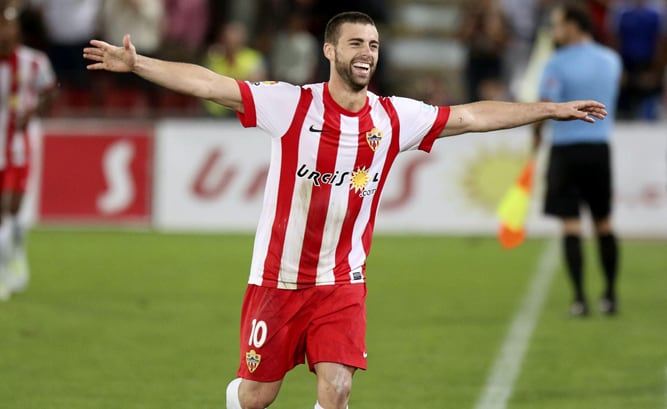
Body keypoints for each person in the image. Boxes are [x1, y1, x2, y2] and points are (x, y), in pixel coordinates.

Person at [83, 11, 607, 409]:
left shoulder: (394, 117)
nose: (367, 52)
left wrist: (550, 108)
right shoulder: (290, 104)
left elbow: (470, 117)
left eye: (374, 44)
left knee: (336, 388)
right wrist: (138, 64)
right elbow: (210, 83)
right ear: (331, 51)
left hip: (341, 281)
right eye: (356, 42)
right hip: (278, 279)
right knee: (258, 396)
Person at [533, 3, 622, 317]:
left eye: (558, 25)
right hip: (599, 149)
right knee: (604, 222)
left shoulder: (556, 63)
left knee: (571, 225)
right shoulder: (611, 59)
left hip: (566, 150)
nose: (555, 32)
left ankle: (580, 299)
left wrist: (536, 137)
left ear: (573, 25)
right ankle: (610, 295)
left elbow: (546, 105)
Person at [0, 6, 56, 301]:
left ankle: (17, 250)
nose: (5, 34)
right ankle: (2, 272)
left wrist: (33, 111)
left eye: (9, 27)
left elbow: (50, 92)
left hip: (18, 147)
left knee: (14, 211)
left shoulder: (34, 62)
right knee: (3, 211)